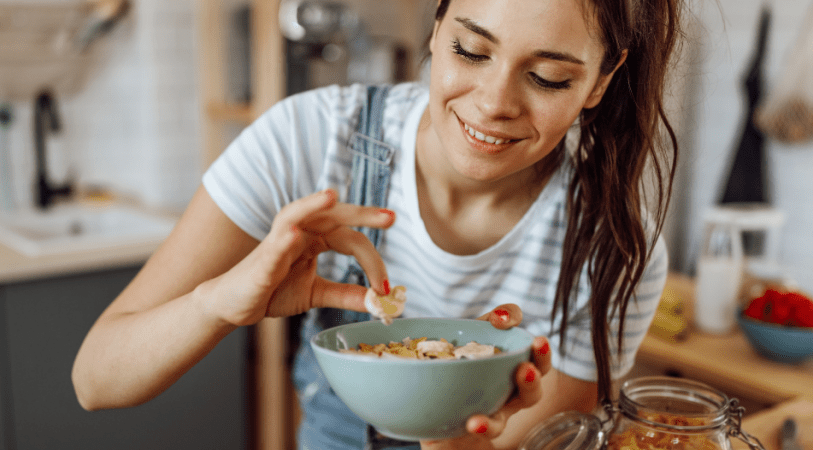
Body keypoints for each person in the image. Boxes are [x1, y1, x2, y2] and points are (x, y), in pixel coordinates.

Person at [72, 0, 682, 447]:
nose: (494, 103)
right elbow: (97, 380)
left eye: (548, 77)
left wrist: (457, 435)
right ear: (437, 26)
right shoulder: (310, 140)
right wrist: (222, 302)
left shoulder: (615, 246)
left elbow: (548, 437)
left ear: (601, 81)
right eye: (470, 50)